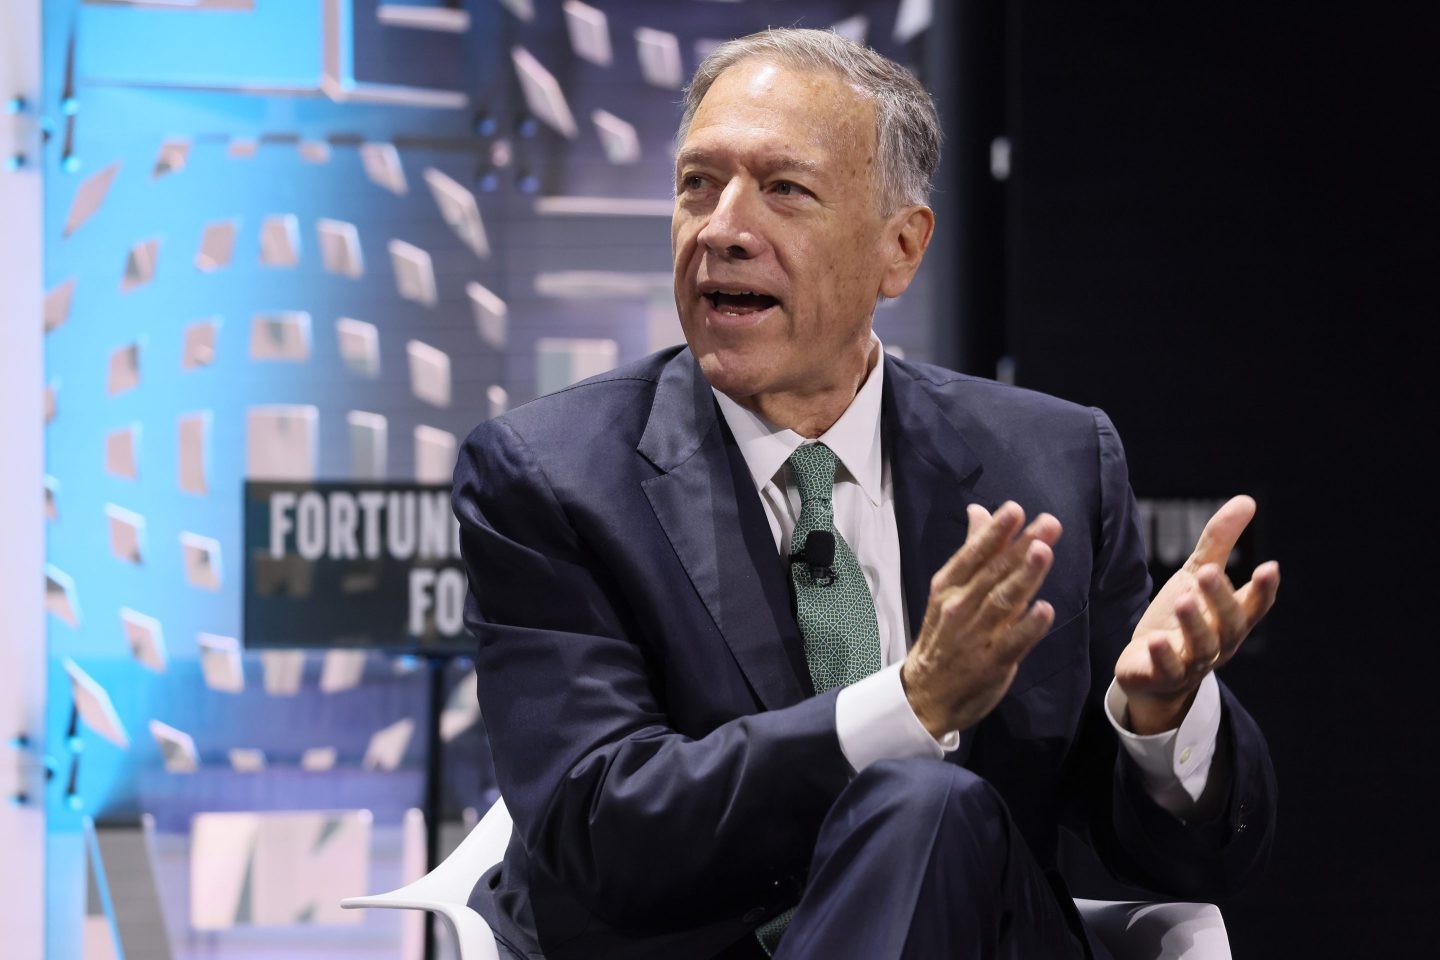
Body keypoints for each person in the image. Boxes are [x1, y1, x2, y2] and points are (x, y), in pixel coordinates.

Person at [453, 28, 1279, 960]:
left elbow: (1187, 861)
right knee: (918, 792)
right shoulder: (555, 476)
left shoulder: (1050, 464)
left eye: (784, 189)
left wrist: (1160, 719)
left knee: (930, 809)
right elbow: (595, 830)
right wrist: (909, 706)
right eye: (698, 184)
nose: (722, 228)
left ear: (901, 248)